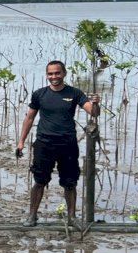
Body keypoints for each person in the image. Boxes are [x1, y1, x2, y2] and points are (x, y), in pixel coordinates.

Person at [16, 60, 100, 227]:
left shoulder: (75, 93)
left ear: (64, 73)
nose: (54, 76)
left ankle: (71, 218)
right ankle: (32, 216)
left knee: (70, 182)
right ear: (47, 75)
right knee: (40, 181)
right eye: (50, 74)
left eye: (57, 73)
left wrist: (96, 103)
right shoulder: (39, 94)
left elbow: (93, 113)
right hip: (44, 143)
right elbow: (30, 118)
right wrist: (21, 142)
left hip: (67, 144)